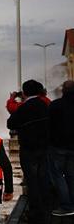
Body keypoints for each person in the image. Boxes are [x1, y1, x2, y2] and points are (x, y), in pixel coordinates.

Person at [7, 79, 50, 224]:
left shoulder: (24, 107)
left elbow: (10, 123)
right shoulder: (45, 104)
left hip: (28, 148)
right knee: (44, 177)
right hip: (45, 147)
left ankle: (36, 212)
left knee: (32, 180)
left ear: (24, 93)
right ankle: (46, 207)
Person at [48, 80, 74, 216]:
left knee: (58, 176)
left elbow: (48, 125)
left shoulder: (55, 105)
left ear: (63, 90)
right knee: (71, 176)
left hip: (58, 146)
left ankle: (66, 206)